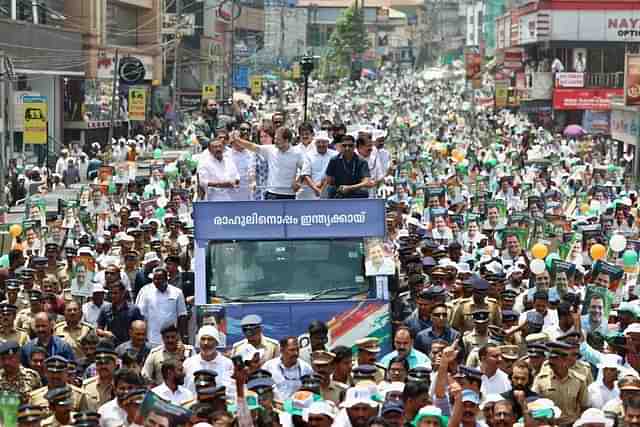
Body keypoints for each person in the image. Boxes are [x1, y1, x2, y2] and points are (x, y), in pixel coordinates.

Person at [232, 126, 304, 199]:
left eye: (278, 139)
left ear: (287, 140)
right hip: (271, 193)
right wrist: (237, 140)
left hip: (289, 194)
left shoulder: (297, 153)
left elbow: (305, 169)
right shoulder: (271, 149)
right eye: (275, 138)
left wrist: (299, 181)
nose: (275, 141)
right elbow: (252, 146)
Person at [135, 267, 188, 347]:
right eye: (154, 279)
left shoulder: (177, 292)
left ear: (167, 279)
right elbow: (141, 315)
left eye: (159, 279)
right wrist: (142, 335)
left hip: (171, 339)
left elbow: (182, 315)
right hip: (151, 338)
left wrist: (183, 336)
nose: (156, 281)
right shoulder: (145, 291)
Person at [263, 336, 313, 401]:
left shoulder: (306, 368)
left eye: (297, 349)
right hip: (276, 408)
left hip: (299, 409)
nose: (296, 353)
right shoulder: (268, 367)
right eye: (292, 350)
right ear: (281, 350)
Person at [325, 134, 372, 198]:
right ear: (340, 146)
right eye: (344, 145)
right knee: (331, 190)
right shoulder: (334, 160)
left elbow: (366, 182)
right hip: (339, 192)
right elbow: (329, 180)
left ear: (354, 146)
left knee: (364, 192)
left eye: (350, 146)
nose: (347, 148)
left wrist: (349, 188)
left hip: (356, 191)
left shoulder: (362, 161)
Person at [197, 136, 240, 201]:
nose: (218, 149)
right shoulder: (204, 163)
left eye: (220, 146)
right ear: (209, 149)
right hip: (214, 200)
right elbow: (203, 182)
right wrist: (222, 184)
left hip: (231, 198)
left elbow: (236, 175)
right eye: (215, 147)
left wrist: (236, 182)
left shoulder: (229, 161)